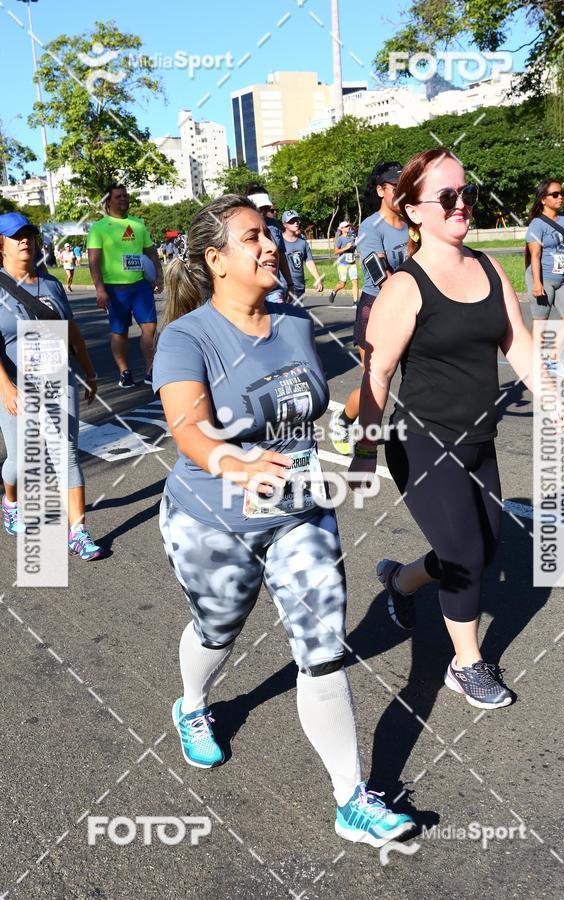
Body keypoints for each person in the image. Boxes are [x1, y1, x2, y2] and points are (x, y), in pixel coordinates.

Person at [152, 194, 415, 846]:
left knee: (324, 654)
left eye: (269, 233)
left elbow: (320, 408)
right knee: (217, 633)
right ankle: (193, 706)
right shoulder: (188, 337)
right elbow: (187, 429)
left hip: (300, 515)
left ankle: (352, 799)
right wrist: (233, 463)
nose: (270, 244)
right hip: (212, 522)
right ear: (215, 259)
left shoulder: (296, 323)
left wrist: (369, 404)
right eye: (252, 237)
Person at [348, 148, 563, 710]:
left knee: (482, 548)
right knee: (466, 553)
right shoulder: (405, 286)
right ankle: (466, 664)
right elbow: (379, 371)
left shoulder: (489, 266)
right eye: (446, 196)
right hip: (422, 443)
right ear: (414, 211)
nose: (461, 203)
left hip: (479, 440)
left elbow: (515, 340)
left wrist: (552, 395)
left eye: (465, 192)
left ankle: (401, 581)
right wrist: (365, 451)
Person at [0, 213, 105, 559]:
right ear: (1, 244)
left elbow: (72, 331)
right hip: (14, 383)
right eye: (16, 236)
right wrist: (6, 388)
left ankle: (79, 532)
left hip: (59, 378)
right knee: (18, 460)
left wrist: (88, 371)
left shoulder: (52, 285)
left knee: (66, 453)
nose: (25, 241)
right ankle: (11, 500)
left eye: (28, 234)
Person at [331, 162, 407, 455]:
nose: (402, 193)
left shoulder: (414, 223)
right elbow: (380, 276)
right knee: (376, 380)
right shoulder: (370, 227)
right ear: (380, 190)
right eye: (395, 187)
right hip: (376, 308)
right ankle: (345, 420)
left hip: (408, 307)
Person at [87, 184, 163, 388]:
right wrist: (100, 290)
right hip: (114, 288)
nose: (123, 199)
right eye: (118, 196)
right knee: (120, 332)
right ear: (108, 201)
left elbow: (151, 253)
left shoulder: (137, 224)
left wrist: (159, 276)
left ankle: (150, 370)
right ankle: (124, 372)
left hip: (139, 286)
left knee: (150, 327)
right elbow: (93, 261)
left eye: (125, 196)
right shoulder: (99, 227)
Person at [525, 180, 564, 327]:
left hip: (561, 280)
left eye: (561, 193)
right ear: (543, 199)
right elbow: (534, 256)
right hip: (543, 279)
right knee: (541, 325)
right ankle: (533, 351)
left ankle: (555, 351)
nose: (560, 197)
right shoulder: (537, 224)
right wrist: (537, 283)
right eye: (555, 194)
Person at [247, 189, 294, 302]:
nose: (264, 211)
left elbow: (281, 255)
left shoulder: (274, 225)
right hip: (251, 290)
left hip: (274, 289)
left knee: (279, 318)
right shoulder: (242, 227)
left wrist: (290, 283)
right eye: (260, 208)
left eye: (266, 207)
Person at [281, 209, 323, 298]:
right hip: (283, 286)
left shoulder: (302, 242)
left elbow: (309, 261)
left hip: (299, 286)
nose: (295, 223)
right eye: (291, 221)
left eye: (297, 220)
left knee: (296, 311)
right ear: (284, 224)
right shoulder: (279, 241)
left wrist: (318, 279)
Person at [329, 221, 359, 305]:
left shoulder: (353, 238)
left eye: (348, 226)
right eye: (346, 226)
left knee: (355, 281)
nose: (348, 227)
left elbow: (357, 248)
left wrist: (357, 243)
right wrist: (346, 247)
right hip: (343, 264)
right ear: (341, 229)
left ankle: (356, 301)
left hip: (352, 264)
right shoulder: (340, 239)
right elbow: (335, 252)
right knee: (342, 284)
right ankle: (334, 292)